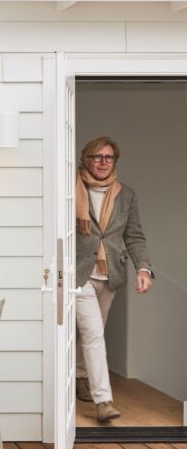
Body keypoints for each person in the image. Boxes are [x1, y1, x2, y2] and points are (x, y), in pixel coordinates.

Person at [75, 136, 153, 422]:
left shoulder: (126, 195)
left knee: (92, 333)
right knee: (94, 334)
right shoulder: (71, 189)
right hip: (79, 274)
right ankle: (103, 401)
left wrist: (143, 269)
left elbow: (134, 236)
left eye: (109, 158)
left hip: (110, 276)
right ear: (86, 159)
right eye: (97, 157)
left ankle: (81, 375)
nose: (103, 162)